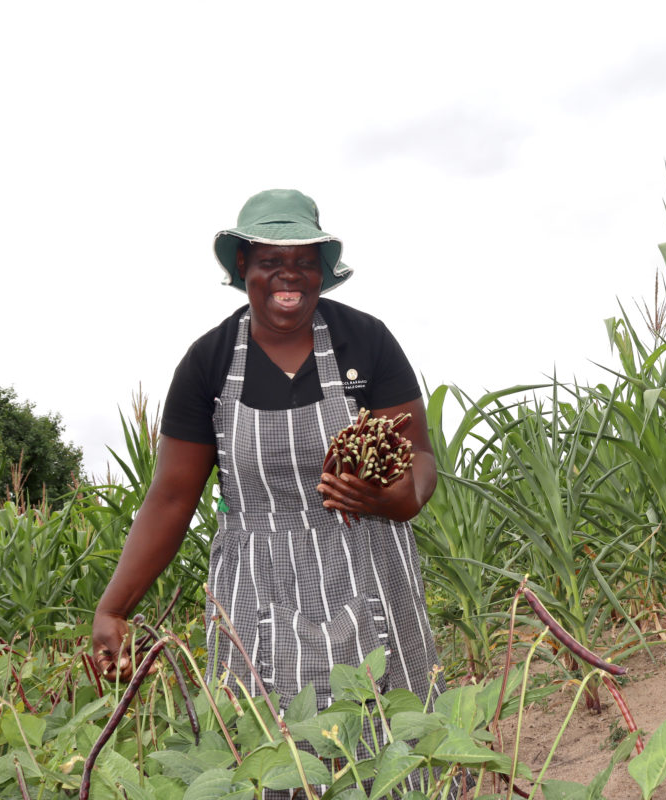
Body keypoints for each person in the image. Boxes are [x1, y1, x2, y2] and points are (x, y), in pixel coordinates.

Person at [92, 188, 445, 746]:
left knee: (394, 742)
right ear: (243, 266)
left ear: (323, 271)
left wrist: (399, 499)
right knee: (265, 749)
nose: (291, 276)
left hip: (369, 565)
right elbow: (170, 498)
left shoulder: (366, 342)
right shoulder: (209, 363)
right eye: (272, 262)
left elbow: (419, 456)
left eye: (305, 262)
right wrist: (114, 607)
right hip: (259, 585)